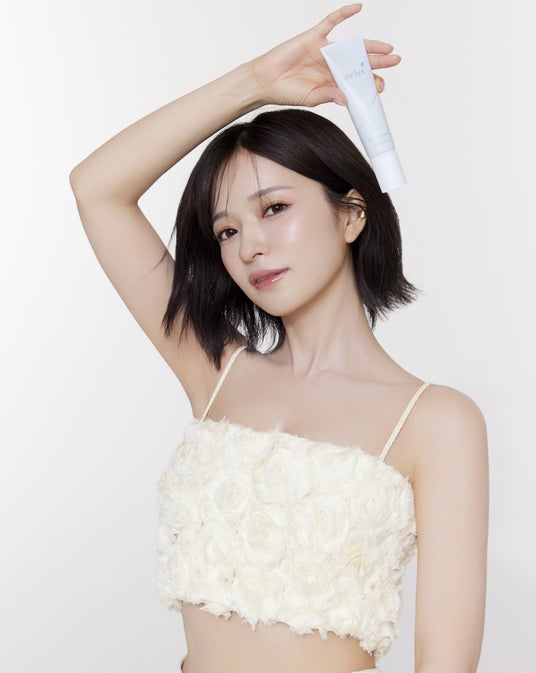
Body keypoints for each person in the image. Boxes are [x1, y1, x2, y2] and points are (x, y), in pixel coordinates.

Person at [69, 4, 488, 673]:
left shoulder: (436, 421)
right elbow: (96, 188)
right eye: (227, 230)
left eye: (274, 208)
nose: (250, 246)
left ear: (352, 214)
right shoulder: (216, 370)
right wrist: (254, 84)